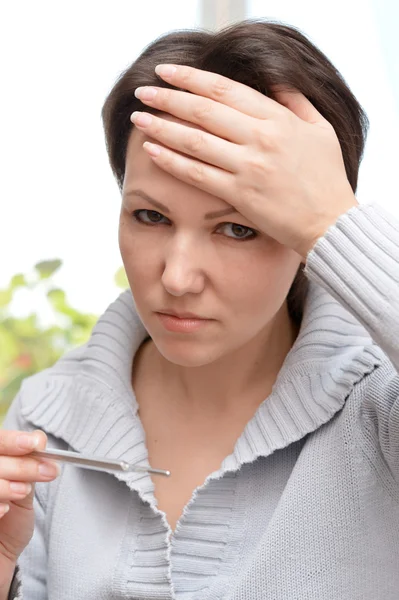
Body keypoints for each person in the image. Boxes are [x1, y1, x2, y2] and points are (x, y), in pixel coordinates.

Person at [1, 17, 398, 600]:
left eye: (238, 227)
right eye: (150, 216)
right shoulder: (47, 417)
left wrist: (333, 220)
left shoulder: (377, 409)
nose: (178, 277)